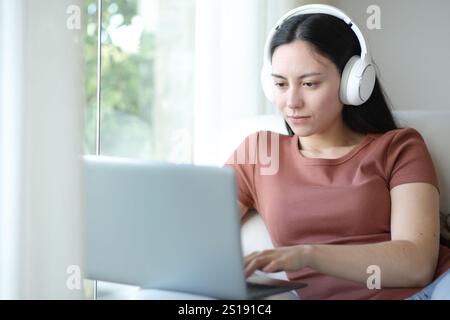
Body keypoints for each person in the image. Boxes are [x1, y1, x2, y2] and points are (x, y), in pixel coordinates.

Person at [224, 5, 450, 300]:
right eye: (280, 84)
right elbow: (194, 233)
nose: (292, 101)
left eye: (309, 84)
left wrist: (308, 255)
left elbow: (417, 264)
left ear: (352, 83)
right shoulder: (259, 153)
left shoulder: (399, 147)